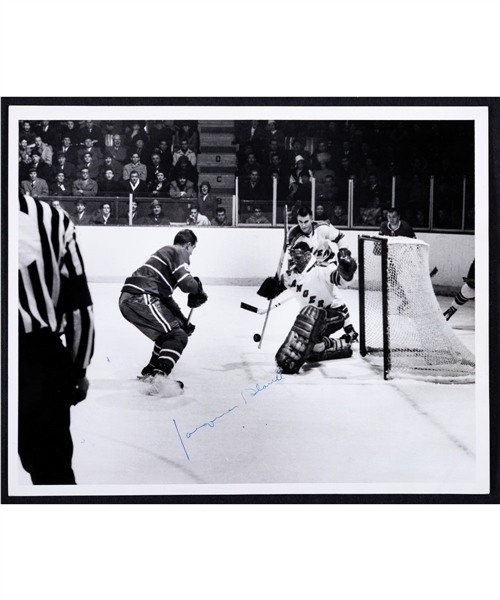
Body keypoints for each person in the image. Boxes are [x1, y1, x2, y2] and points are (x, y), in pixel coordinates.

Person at [18, 191, 95, 484]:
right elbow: (80, 309)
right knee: (53, 475)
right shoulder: (53, 219)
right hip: (39, 362)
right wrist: (78, 371)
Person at [119, 229, 207, 392]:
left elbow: (165, 299)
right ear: (188, 245)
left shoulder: (166, 258)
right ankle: (160, 376)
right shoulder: (178, 251)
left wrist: (182, 320)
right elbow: (187, 284)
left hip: (133, 297)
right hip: (141, 296)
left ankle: (151, 372)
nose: (191, 254)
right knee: (177, 335)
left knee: (167, 335)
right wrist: (198, 289)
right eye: (193, 250)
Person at [257, 241, 356, 374]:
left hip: (334, 316)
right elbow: (276, 288)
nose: (294, 262)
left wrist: (346, 271)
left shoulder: (322, 268)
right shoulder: (291, 275)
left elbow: (341, 279)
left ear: (308, 255)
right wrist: (270, 289)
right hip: (309, 324)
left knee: (314, 315)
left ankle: (326, 342)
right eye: (292, 258)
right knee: (314, 351)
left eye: (298, 258)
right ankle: (340, 345)